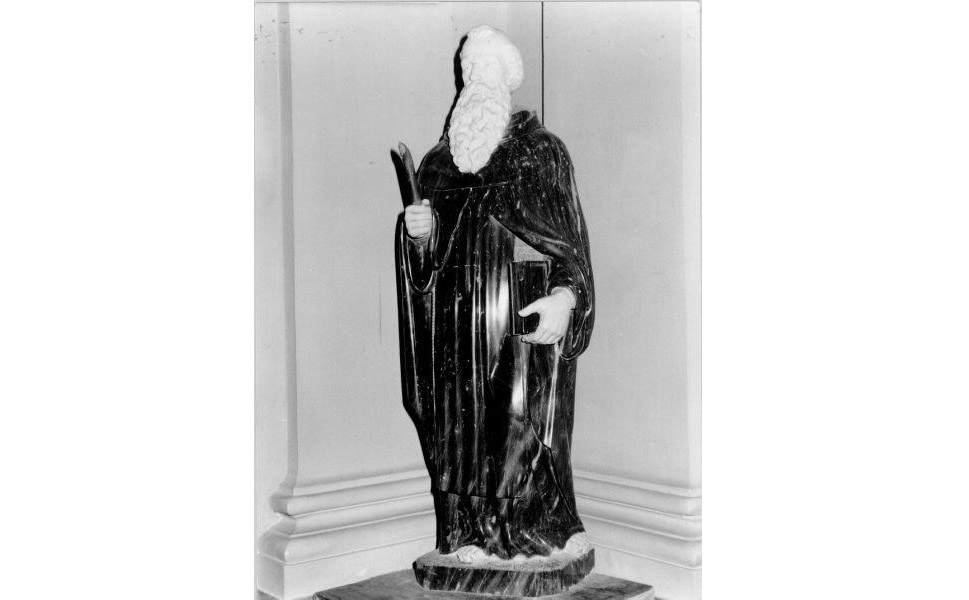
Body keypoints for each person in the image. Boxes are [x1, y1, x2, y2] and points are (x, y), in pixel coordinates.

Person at [395, 25, 595, 564]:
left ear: (507, 79)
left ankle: (544, 530)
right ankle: (468, 533)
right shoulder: (438, 165)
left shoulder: (541, 152)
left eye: (485, 68)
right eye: (468, 71)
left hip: (520, 317)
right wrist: (418, 236)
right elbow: (425, 264)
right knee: (463, 432)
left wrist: (565, 297)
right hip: (458, 321)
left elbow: (569, 241)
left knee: (522, 425)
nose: (474, 80)